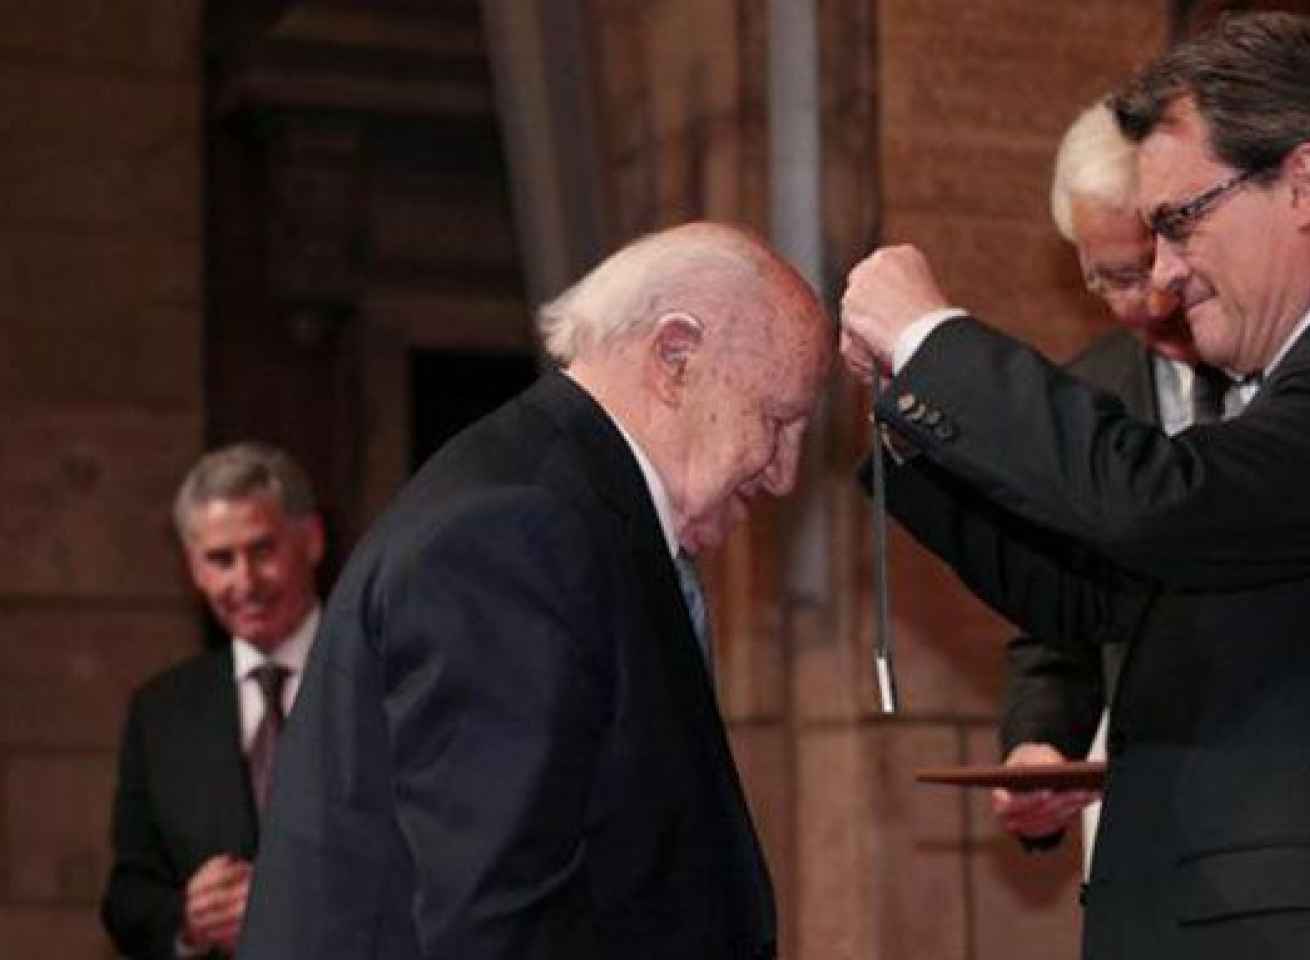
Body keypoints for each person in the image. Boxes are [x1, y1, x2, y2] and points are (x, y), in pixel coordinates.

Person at [840, 13, 1310, 959]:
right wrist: (910, 421)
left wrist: (936, 340)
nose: (1164, 275)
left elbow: (1158, 504)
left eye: (1180, 222)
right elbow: (1096, 590)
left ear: (1303, 184)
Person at [237, 222, 831, 960]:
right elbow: (498, 923)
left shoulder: (570, 510)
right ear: (674, 357)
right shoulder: (519, 531)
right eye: (777, 422)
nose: (784, 474)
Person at [995, 99, 1251, 856]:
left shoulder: (1303, 366)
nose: (1143, 302)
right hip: (1151, 821)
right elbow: (1058, 634)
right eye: (1107, 281)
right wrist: (1039, 749)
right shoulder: (1083, 400)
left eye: (1147, 268)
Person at [101, 442, 326, 960]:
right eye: (220, 560)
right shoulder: (160, 713)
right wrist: (189, 918)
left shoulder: (381, 682)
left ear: (311, 540)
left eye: (263, 550)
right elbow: (128, 896)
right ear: (194, 570)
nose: (244, 581)